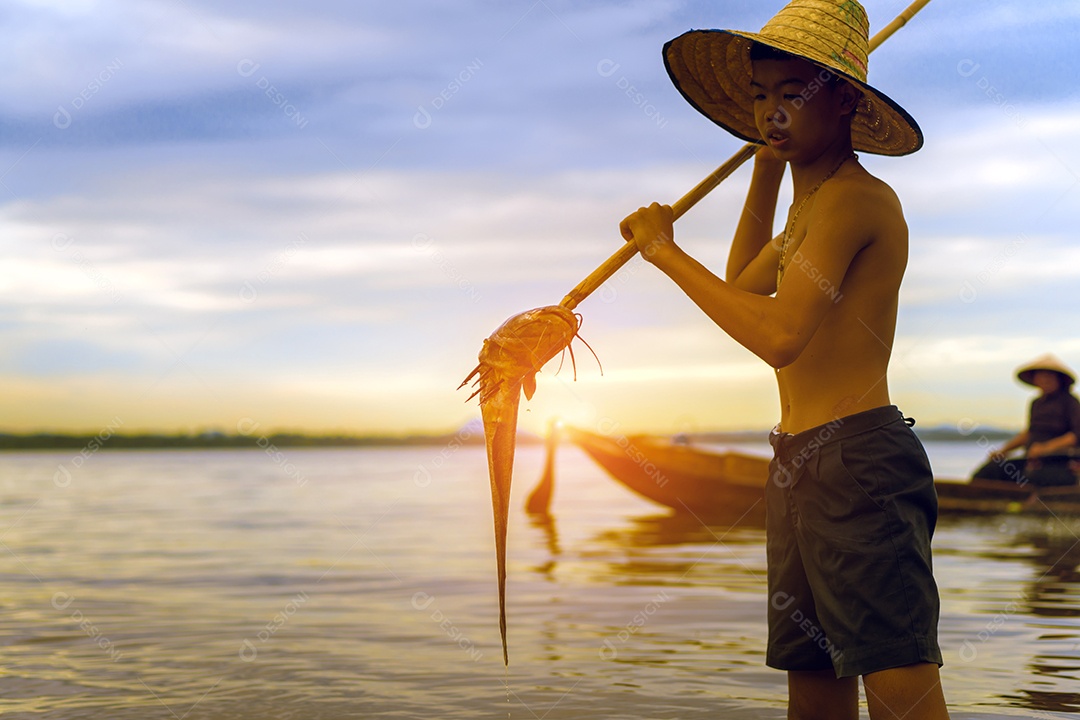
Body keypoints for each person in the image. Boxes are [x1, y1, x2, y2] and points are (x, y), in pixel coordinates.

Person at [618, 1, 949, 718]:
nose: (773, 112)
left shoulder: (856, 203)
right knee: (815, 688)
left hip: (860, 466)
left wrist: (665, 251)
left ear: (847, 102)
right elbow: (743, 289)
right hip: (796, 463)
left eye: (793, 94)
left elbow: (777, 335)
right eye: (761, 96)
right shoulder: (809, 208)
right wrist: (765, 174)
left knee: (899, 690)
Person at [972, 354, 1080, 488]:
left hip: (1060, 461)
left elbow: (1075, 435)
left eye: (1049, 376)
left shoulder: (1070, 401)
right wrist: (1004, 450)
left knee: (1031, 478)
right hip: (1032, 458)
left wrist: (1046, 448)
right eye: (1041, 375)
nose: (1045, 379)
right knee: (989, 471)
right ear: (1035, 379)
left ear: (1059, 379)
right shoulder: (1036, 403)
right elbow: (1030, 432)